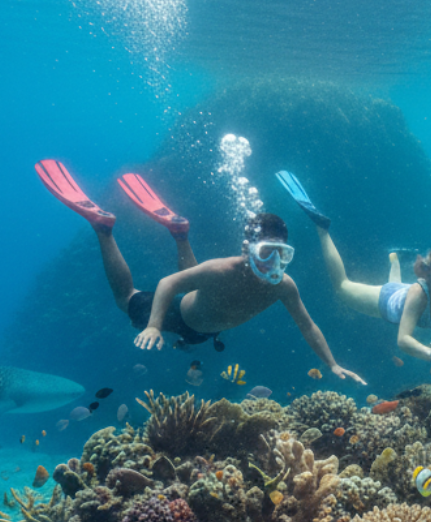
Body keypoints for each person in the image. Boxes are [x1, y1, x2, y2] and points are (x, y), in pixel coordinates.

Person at [34, 160, 365, 384]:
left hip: (202, 328)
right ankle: (103, 228)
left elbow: (307, 325)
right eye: (266, 254)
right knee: (126, 299)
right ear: (245, 250)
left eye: (282, 255)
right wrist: (152, 326)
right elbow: (168, 283)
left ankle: (180, 234)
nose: (273, 264)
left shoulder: (283, 286)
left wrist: (332, 364)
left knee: (195, 283)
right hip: (179, 316)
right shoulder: (220, 270)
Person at [276, 171, 431, 369]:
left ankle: (395, 258)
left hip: (399, 290)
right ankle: (322, 228)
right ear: (430, 276)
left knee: (395, 283)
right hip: (389, 299)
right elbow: (403, 340)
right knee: (342, 287)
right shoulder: (419, 294)